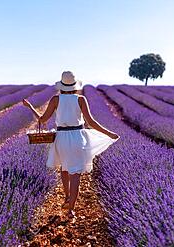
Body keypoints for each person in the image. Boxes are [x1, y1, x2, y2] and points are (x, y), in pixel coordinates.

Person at [22, 71, 120, 219]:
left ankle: (67, 196)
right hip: (78, 138)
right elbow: (91, 122)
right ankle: (71, 210)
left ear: (61, 86)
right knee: (76, 175)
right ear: (74, 86)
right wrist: (109, 133)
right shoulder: (81, 99)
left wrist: (30, 107)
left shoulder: (55, 99)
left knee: (64, 167)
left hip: (61, 137)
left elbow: (42, 120)